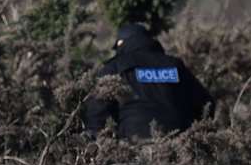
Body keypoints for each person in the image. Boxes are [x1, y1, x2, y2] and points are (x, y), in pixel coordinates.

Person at [81, 23, 213, 140]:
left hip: (133, 147)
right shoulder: (174, 64)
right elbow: (205, 104)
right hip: (178, 145)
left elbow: (97, 112)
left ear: (121, 44)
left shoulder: (114, 67)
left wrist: (98, 142)